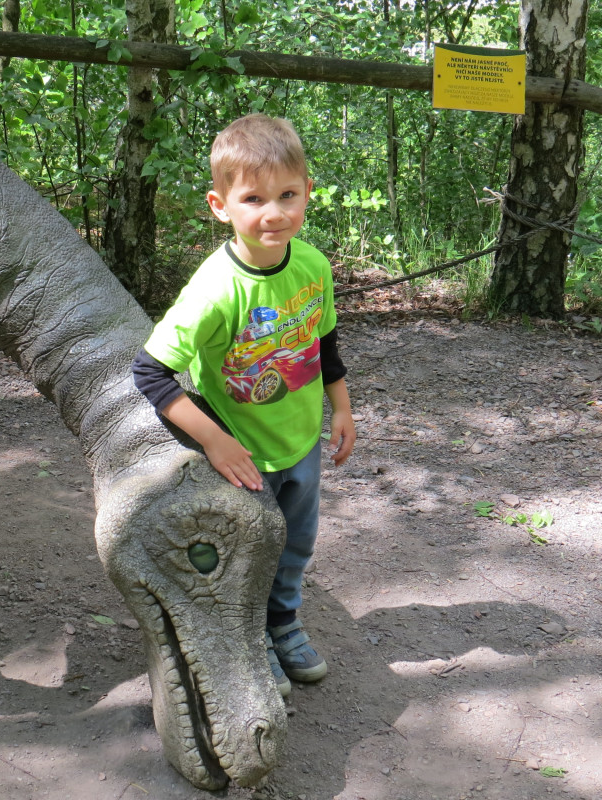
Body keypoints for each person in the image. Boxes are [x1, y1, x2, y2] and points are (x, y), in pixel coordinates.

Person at [131, 114, 356, 698]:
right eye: (253, 198)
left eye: (288, 195)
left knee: (295, 543)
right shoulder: (215, 289)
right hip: (242, 453)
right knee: (248, 547)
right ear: (220, 204)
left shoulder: (313, 267)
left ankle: (283, 624)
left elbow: (322, 342)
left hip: (302, 440)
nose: (273, 213)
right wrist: (215, 441)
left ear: (308, 191)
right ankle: (250, 635)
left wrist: (342, 409)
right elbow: (151, 372)